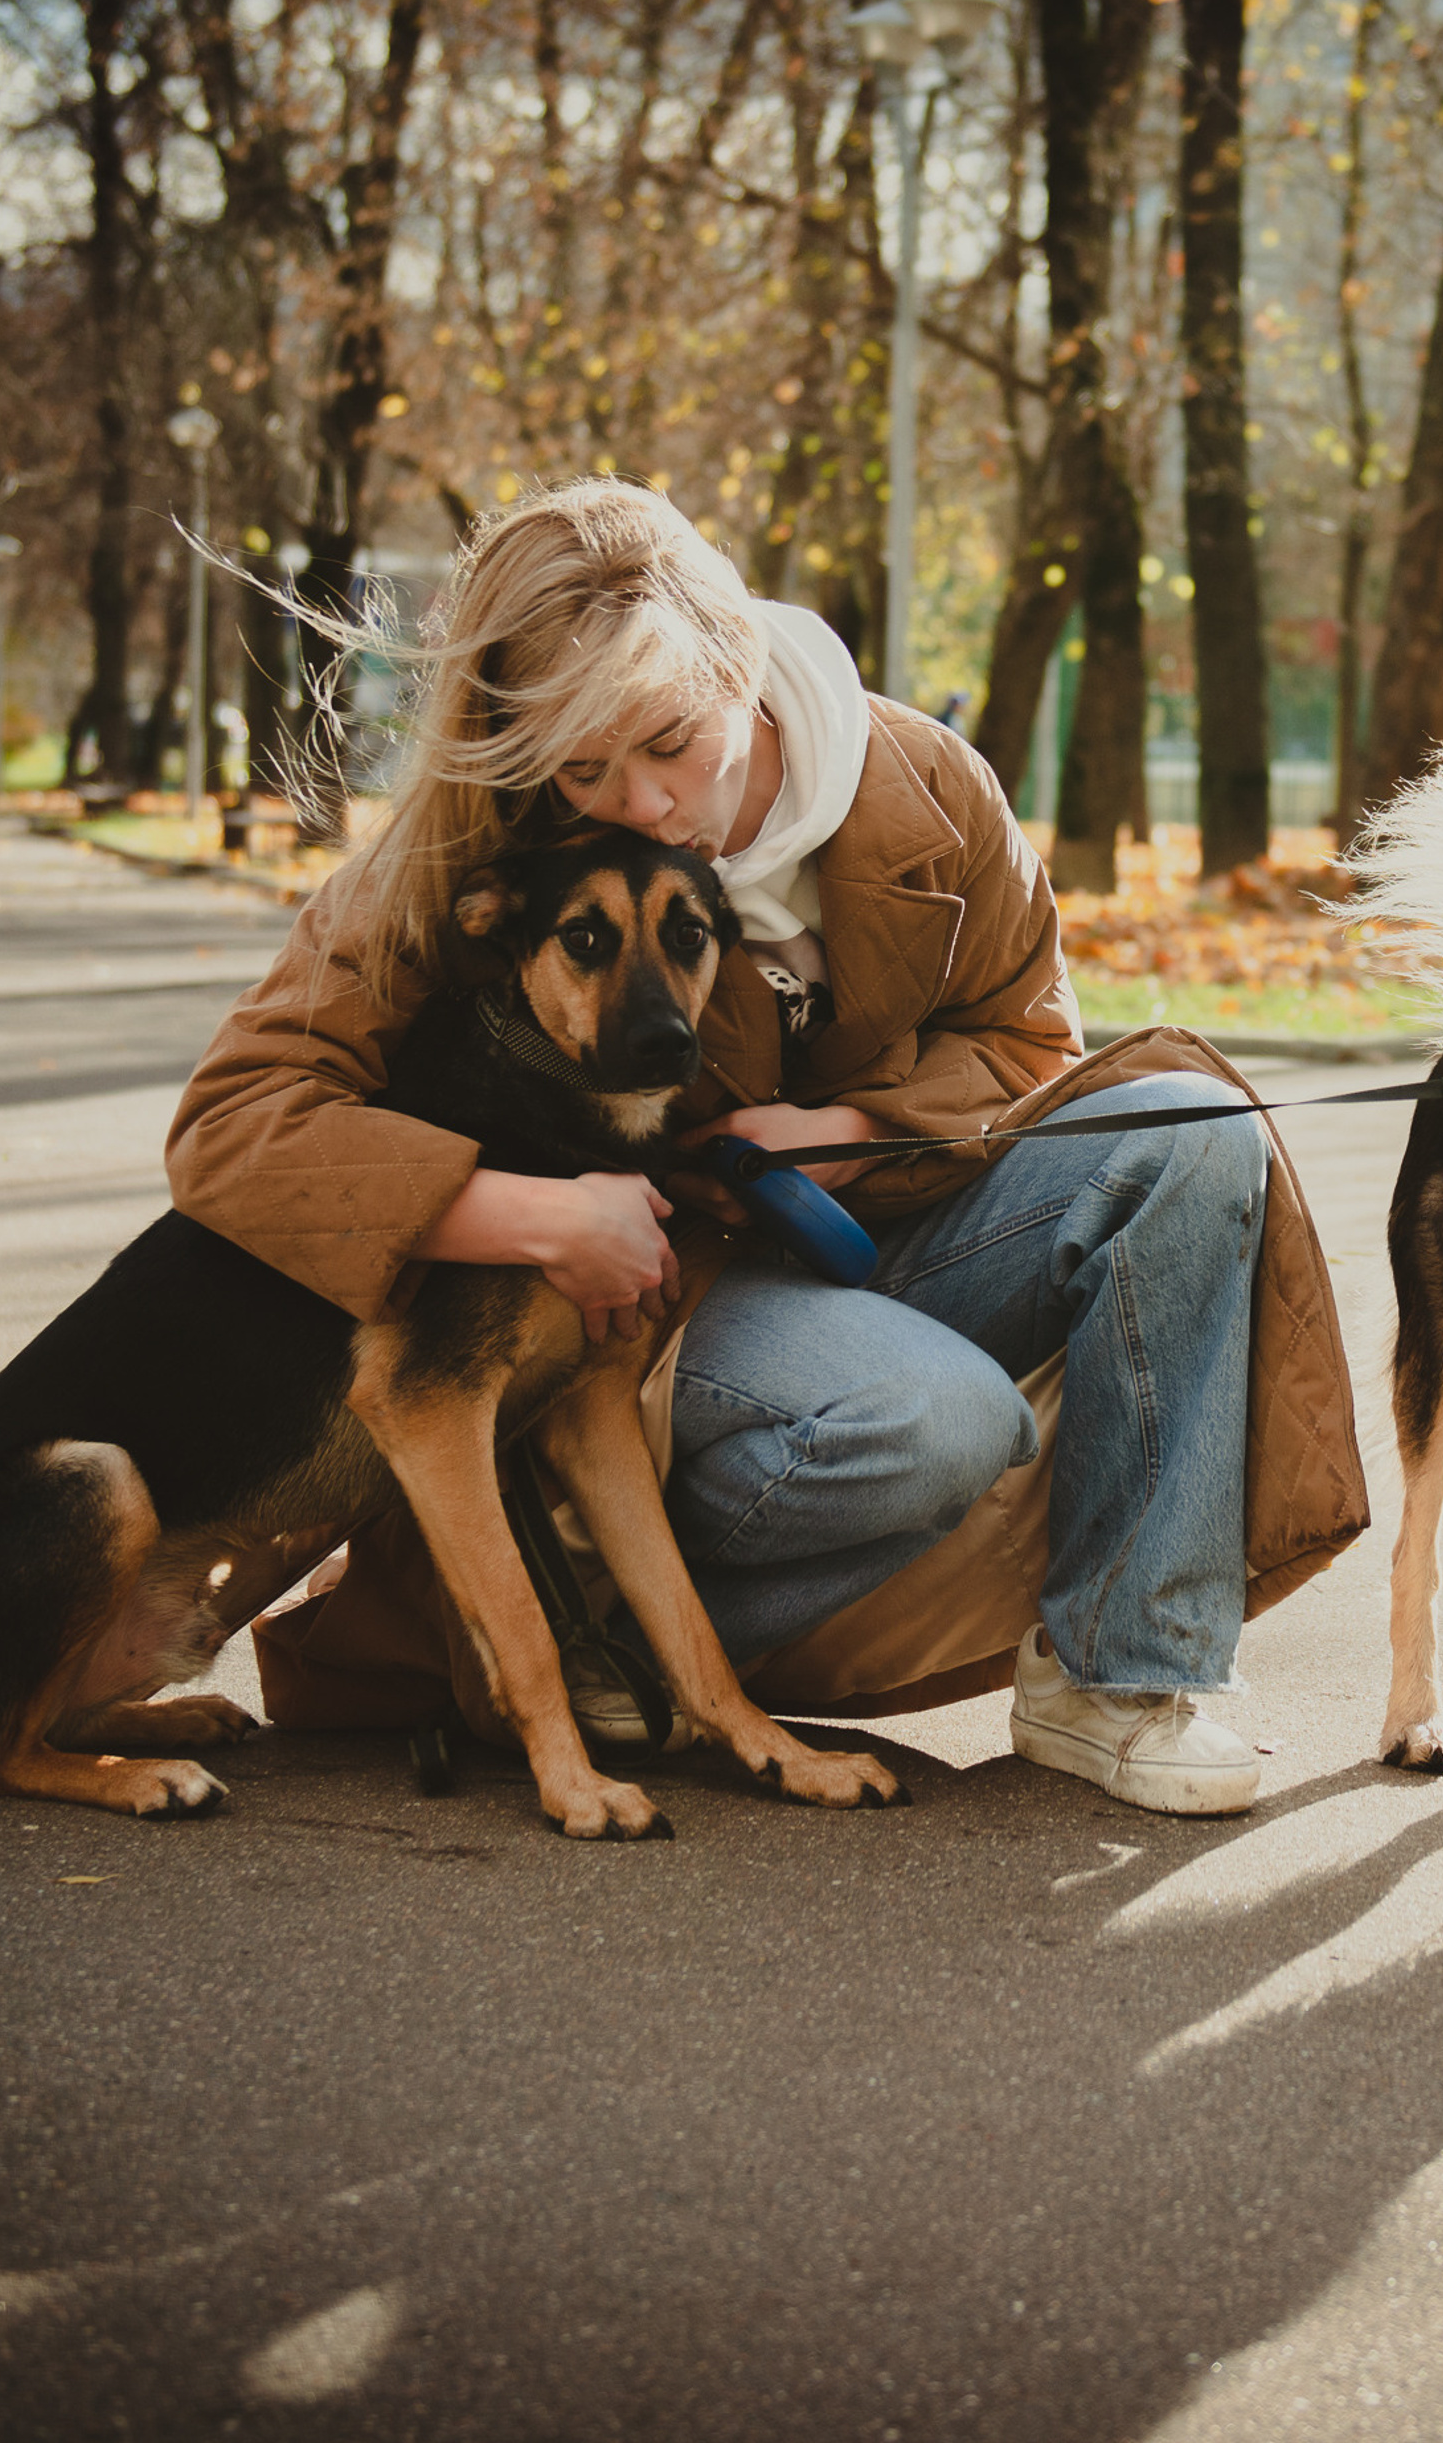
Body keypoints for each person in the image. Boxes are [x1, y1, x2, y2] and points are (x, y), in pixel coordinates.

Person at [167, 480, 1365, 1813]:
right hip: (658, 1313)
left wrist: (851, 1128)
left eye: (671, 740)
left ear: (739, 658)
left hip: (897, 1228)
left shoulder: (927, 786)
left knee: (1185, 1130)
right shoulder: (492, 845)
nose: (644, 803)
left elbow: (1034, 1048)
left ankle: (1122, 1677)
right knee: (935, 1423)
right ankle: (587, 1639)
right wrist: (527, 1218)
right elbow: (239, 1125)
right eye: (583, 769)